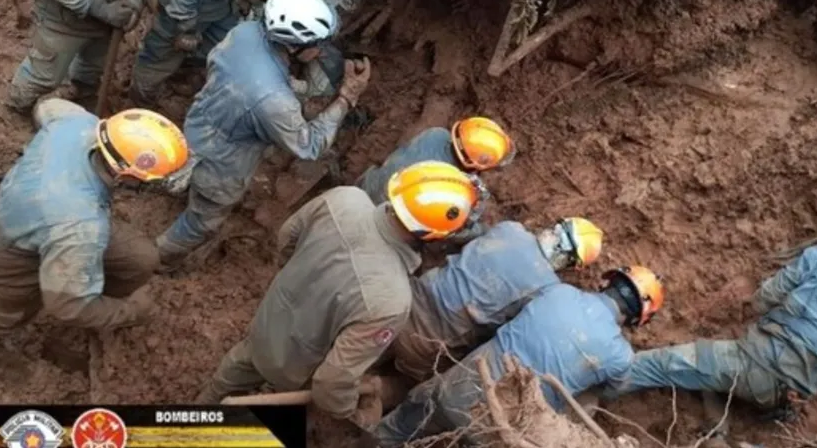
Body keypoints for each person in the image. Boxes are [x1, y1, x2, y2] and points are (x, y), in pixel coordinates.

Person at [599, 186, 817, 445]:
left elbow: (762, 301)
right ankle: (718, 431)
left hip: (754, 367)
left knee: (658, 364)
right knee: (710, 376)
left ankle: (582, 396)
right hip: (788, 398)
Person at [195, 161, 490, 432]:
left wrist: (301, 279)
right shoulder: (391, 299)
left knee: (237, 367)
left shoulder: (344, 198)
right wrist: (351, 412)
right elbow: (331, 382)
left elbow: (287, 237)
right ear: (434, 236)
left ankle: (201, 409)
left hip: (269, 321)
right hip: (298, 368)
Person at [153, 0, 370, 270]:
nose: (320, 51)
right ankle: (159, 259)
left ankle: (184, 183)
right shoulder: (274, 102)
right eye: (318, 44)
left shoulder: (245, 33)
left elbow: (226, 70)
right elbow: (310, 146)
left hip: (199, 123)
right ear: (295, 47)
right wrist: (347, 97)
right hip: (223, 164)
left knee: (188, 166)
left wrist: (291, 88)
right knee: (203, 221)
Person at [375, 265, 665, 446]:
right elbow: (612, 391)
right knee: (586, 400)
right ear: (638, 319)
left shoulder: (558, 292)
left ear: (607, 282)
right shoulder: (620, 356)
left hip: (456, 386)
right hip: (497, 428)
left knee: (403, 422)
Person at [0, 98, 188, 342]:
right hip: (9, 247)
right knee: (5, 314)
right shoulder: (82, 228)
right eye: (152, 180)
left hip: (42, 210)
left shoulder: (79, 123)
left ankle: (93, 296)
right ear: (125, 175)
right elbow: (65, 307)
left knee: (139, 257)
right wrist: (131, 312)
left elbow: (46, 106)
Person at [390, 217, 604, 385]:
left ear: (555, 228)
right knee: (411, 385)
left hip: (403, 300)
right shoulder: (547, 288)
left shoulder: (510, 229)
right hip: (428, 343)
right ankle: (376, 390)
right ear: (571, 263)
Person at [7, 0, 152, 114]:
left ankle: (81, 98)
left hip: (111, 18)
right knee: (43, 76)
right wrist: (101, 9)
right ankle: (17, 108)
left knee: (91, 69)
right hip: (64, 20)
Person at [130, 0, 258, 104]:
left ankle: (178, 78)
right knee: (161, 55)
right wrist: (186, 24)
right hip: (186, 3)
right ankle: (141, 101)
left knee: (210, 50)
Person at [355, 116, 515, 206]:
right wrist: (479, 230)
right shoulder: (453, 186)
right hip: (382, 212)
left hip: (365, 186)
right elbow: (456, 230)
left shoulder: (436, 134)